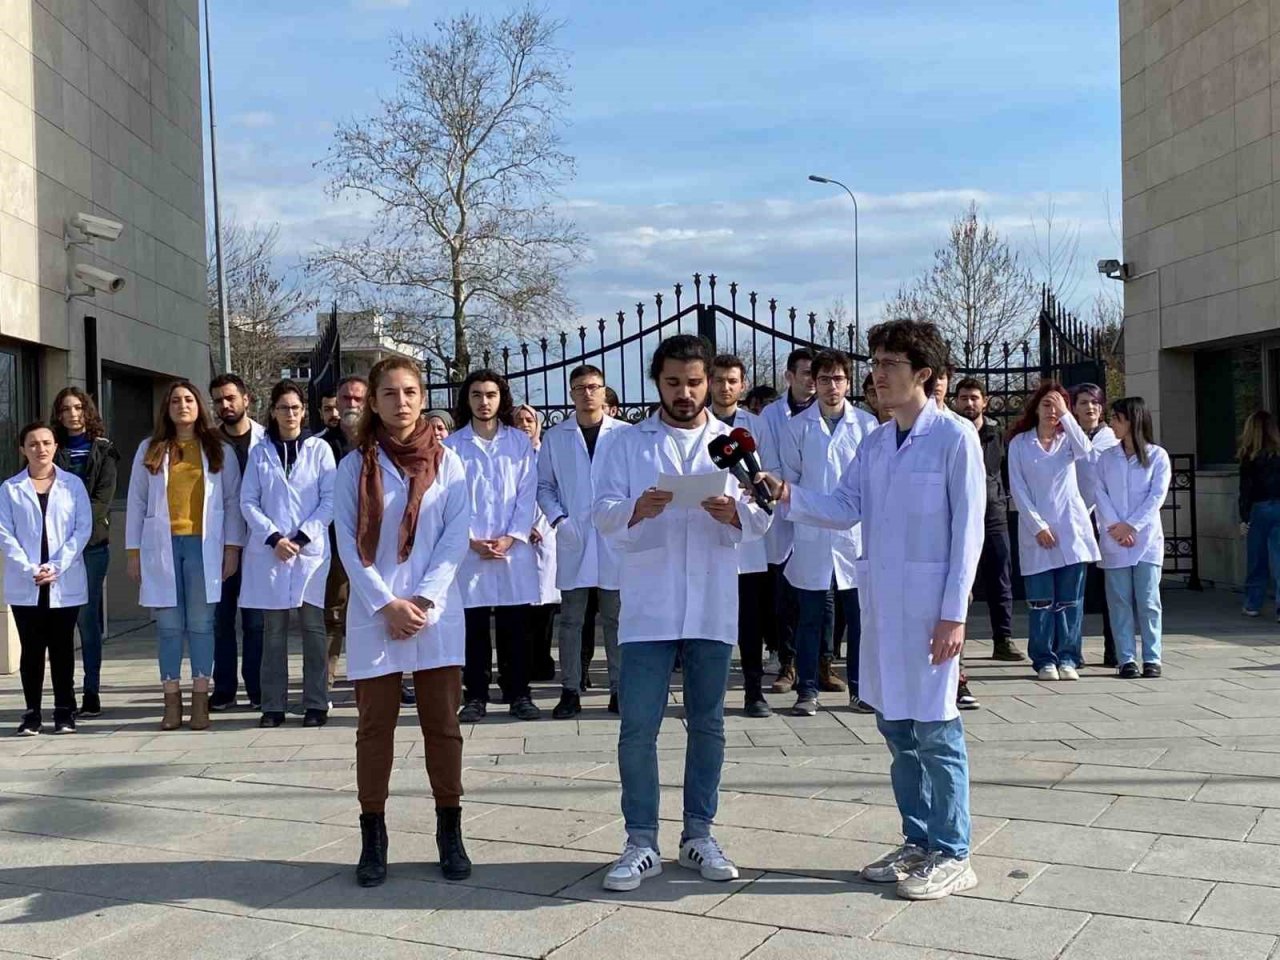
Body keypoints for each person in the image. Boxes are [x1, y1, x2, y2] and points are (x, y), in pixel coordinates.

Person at [760, 318, 986, 901]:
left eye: (890, 364)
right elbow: (843, 506)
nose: (877, 374)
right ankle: (918, 840)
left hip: (931, 609)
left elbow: (969, 533)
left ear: (924, 373)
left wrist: (954, 614)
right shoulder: (877, 441)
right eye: (876, 363)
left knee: (936, 728)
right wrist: (786, 493)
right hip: (884, 605)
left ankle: (954, 852)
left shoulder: (955, 437)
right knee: (896, 727)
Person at [593, 333, 771, 892]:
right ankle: (640, 840)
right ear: (657, 383)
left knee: (709, 723)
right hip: (649, 605)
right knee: (638, 726)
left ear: (710, 382)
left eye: (695, 383)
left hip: (712, 603)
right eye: (673, 383)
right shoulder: (628, 443)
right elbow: (600, 511)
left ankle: (699, 834)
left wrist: (735, 515)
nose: (685, 393)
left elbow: (763, 512)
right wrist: (635, 508)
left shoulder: (732, 443)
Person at [333, 356, 472, 886]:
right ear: (373, 400)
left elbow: (455, 536)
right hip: (378, 612)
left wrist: (424, 600)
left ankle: (450, 830)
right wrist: (386, 603)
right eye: (389, 393)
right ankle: (373, 835)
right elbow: (348, 542)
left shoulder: (448, 462)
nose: (402, 402)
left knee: (443, 725)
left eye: (410, 391)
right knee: (375, 729)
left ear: (422, 396)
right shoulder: (354, 467)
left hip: (434, 612)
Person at [125, 381, 245, 730]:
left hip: (204, 546)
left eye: (189, 399)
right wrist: (133, 552)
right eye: (175, 400)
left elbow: (232, 502)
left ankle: (200, 701)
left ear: (199, 406)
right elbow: (136, 502)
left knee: (203, 625)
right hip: (161, 546)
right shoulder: (150, 448)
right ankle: (171, 701)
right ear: (167, 408)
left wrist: (232, 548)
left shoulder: (218, 448)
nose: (182, 405)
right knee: (168, 626)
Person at [780, 349, 878, 717]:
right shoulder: (797, 428)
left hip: (855, 536)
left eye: (838, 379)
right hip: (812, 534)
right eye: (824, 379)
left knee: (860, 620)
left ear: (848, 383)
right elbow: (789, 482)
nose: (831, 386)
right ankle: (807, 690)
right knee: (810, 619)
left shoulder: (867, 426)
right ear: (813, 382)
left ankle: (861, 689)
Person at [240, 380, 337, 728]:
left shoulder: (319, 449)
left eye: (296, 407)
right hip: (272, 552)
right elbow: (248, 501)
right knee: (273, 632)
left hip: (309, 553)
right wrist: (274, 538)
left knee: (313, 628)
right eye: (284, 408)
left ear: (304, 411)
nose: (290, 414)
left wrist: (302, 536)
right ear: (273, 411)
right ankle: (273, 706)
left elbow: (330, 499)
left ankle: (316, 703)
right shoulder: (260, 452)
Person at [446, 370, 541, 722]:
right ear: (466, 400)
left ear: (501, 398)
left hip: (511, 549)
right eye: (476, 395)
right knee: (473, 628)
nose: (484, 402)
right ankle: (475, 695)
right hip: (470, 550)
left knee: (515, 626)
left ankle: (518, 693)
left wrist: (511, 536)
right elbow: (449, 499)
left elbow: (527, 492)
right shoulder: (452, 446)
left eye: (490, 395)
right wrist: (470, 539)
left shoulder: (518, 443)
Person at [537, 364, 628, 718]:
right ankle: (570, 690)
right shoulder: (556, 437)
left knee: (616, 619)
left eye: (593, 387)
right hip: (573, 536)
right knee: (572, 621)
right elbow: (544, 486)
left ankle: (620, 690)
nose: (587, 393)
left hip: (613, 538)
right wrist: (559, 520)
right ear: (571, 393)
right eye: (580, 388)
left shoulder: (625, 435)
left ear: (604, 391)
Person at [0, 422, 93, 735]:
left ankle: (64, 711)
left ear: (55, 447)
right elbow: (4, 534)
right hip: (27, 581)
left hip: (63, 580)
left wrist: (56, 566)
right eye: (33, 444)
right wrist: (31, 569)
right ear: (23, 449)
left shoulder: (73, 485)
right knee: (31, 650)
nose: (40, 448)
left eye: (46, 442)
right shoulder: (10, 489)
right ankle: (32, 713)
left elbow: (82, 529)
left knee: (62, 648)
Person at [1007, 382, 1098, 682]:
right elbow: (1018, 489)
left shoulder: (1069, 440)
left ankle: (1069, 656)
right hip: (1038, 535)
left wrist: (1067, 417)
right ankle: (1044, 658)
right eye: (1047, 404)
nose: (1052, 411)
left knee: (1070, 601)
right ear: (1035, 408)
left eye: (1058, 405)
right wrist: (1038, 526)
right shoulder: (1020, 444)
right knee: (1041, 601)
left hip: (1071, 531)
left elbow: (1088, 452)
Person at [710, 354, 774, 717]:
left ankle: (754, 691)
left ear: (743, 385)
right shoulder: (699, 425)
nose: (725, 387)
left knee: (751, 621)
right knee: (712, 621)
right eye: (719, 380)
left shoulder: (756, 427)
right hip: (709, 530)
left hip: (748, 532)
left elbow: (770, 471)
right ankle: (710, 694)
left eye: (732, 380)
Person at [50, 387, 120, 718]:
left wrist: (74, 530)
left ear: (87, 411)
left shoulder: (104, 450)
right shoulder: (52, 449)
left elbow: (102, 500)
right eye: (66, 409)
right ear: (58, 414)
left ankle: (91, 689)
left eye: (78, 408)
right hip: (55, 549)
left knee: (87, 619)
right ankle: (64, 694)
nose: (73, 414)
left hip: (91, 547)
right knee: (60, 623)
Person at [1094, 398, 1171, 679]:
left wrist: (1132, 526)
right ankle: (1126, 658)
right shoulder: (1106, 458)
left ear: (1132, 421)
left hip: (1145, 540)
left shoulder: (1157, 456)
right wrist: (1116, 526)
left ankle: (1152, 657)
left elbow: (1156, 497)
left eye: (1117, 419)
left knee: (1148, 601)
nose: (1112, 424)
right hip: (1114, 539)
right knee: (1119, 602)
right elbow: (1100, 493)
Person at [953, 379, 1023, 664]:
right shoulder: (953, 432)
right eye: (964, 398)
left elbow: (1005, 474)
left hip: (994, 517)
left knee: (1000, 580)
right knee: (960, 582)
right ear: (955, 401)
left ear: (985, 400)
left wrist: (1001, 501)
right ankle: (957, 644)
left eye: (974, 398)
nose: (969, 403)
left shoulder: (997, 434)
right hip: (960, 517)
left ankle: (1003, 639)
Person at [760, 347, 816, 695]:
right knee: (785, 598)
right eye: (806, 373)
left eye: (816, 374)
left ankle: (821, 663)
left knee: (821, 599)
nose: (812, 380)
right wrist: (784, 492)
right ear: (789, 376)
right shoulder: (771, 414)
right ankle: (788, 663)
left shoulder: (829, 412)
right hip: (782, 509)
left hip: (819, 513)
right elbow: (768, 460)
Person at [209, 373, 266, 711]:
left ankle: (257, 688)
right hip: (220, 543)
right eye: (218, 400)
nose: (225, 405)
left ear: (246, 399)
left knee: (256, 622)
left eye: (230, 398)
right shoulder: (210, 443)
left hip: (259, 543)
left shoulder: (266, 439)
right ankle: (224, 689)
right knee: (221, 620)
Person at [320, 376, 368, 688]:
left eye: (357, 398)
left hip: (375, 543)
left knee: (375, 609)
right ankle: (324, 682)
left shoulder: (381, 441)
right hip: (334, 540)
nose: (351, 404)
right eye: (346, 398)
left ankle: (386, 676)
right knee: (334, 612)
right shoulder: (321, 445)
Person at [1070, 383, 1119, 667]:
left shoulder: (1111, 439)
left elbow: (1089, 457)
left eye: (1094, 403)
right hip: (1075, 518)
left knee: (1110, 589)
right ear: (1074, 408)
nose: (1089, 407)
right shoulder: (1065, 437)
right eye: (1083, 403)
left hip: (1105, 519)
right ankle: (1071, 651)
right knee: (1075, 590)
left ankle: (1114, 649)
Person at [513, 404, 560, 684]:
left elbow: (554, 489)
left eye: (529, 420)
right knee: (520, 607)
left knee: (545, 605)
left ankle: (543, 660)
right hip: (517, 537)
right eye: (519, 420)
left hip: (547, 532)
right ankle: (522, 662)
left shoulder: (548, 453)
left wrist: (544, 524)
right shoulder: (510, 456)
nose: (524, 425)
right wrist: (522, 527)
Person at [1239, 410, 1280, 618]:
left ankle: (1253, 603)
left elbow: (1245, 490)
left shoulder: (1249, 456)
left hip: (1259, 508)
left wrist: (1243, 518)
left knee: (1257, 559)